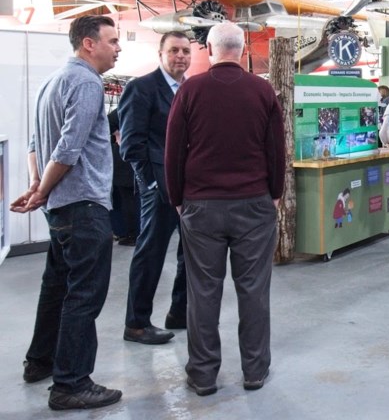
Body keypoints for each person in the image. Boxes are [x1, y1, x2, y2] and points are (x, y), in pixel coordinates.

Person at [165, 22, 285, 395]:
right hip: (253, 204)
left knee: (202, 291)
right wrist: (275, 194)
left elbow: (173, 151)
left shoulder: (190, 90)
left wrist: (178, 199)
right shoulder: (263, 90)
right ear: (244, 48)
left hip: (201, 205)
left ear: (209, 48)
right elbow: (276, 149)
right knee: (253, 290)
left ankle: (203, 375)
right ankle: (254, 370)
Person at [11, 15, 123, 410]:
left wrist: (37, 185)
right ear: (89, 44)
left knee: (55, 288)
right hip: (84, 206)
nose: (118, 48)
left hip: (61, 208)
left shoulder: (53, 81)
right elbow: (69, 149)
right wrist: (41, 190)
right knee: (84, 295)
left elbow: (33, 144)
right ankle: (71, 383)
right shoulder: (87, 81)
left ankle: (39, 361)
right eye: (112, 40)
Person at [118, 31, 191, 345]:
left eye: (186, 51)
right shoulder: (142, 88)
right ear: (161, 54)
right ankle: (136, 323)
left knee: (190, 254)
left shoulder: (190, 89)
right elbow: (131, 145)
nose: (181, 57)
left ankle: (180, 312)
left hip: (189, 187)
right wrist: (148, 183)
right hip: (157, 188)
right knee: (150, 253)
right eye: (174, 50)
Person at [107, 108, 138, 246]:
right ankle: (133, 233)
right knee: (131, 199)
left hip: (124, 159)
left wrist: (118, 135)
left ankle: (131, 234)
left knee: (127, 199)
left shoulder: (123, 109)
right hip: (131, 159)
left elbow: (106, 124)